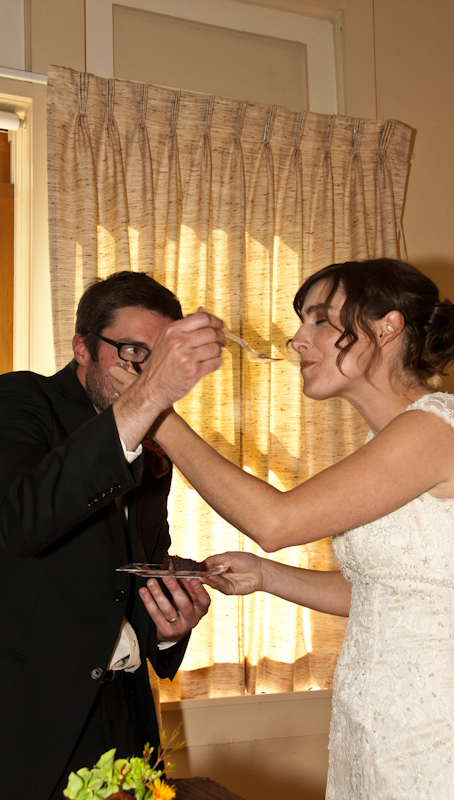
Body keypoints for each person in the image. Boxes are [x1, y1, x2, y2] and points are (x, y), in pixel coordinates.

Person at [111, 258, 454, 798]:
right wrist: (267, 576)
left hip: (435, 718)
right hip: (374, 717)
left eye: (320, 319)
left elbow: (274, 521)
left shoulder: (434, 429)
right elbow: (383, 592)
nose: (297, 340)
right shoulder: (389, 442)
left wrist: (156, 413)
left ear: (387, 326)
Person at [0, 271, 224, 800]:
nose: (145, 373)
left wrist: (168, 629)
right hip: (5, 731)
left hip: (121, 724)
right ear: (82, 347)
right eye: (133, 351)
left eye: (158, 360)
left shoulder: (153, 445)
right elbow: (22, 519)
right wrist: (145, 401)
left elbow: (134, 571)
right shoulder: (17, 399)